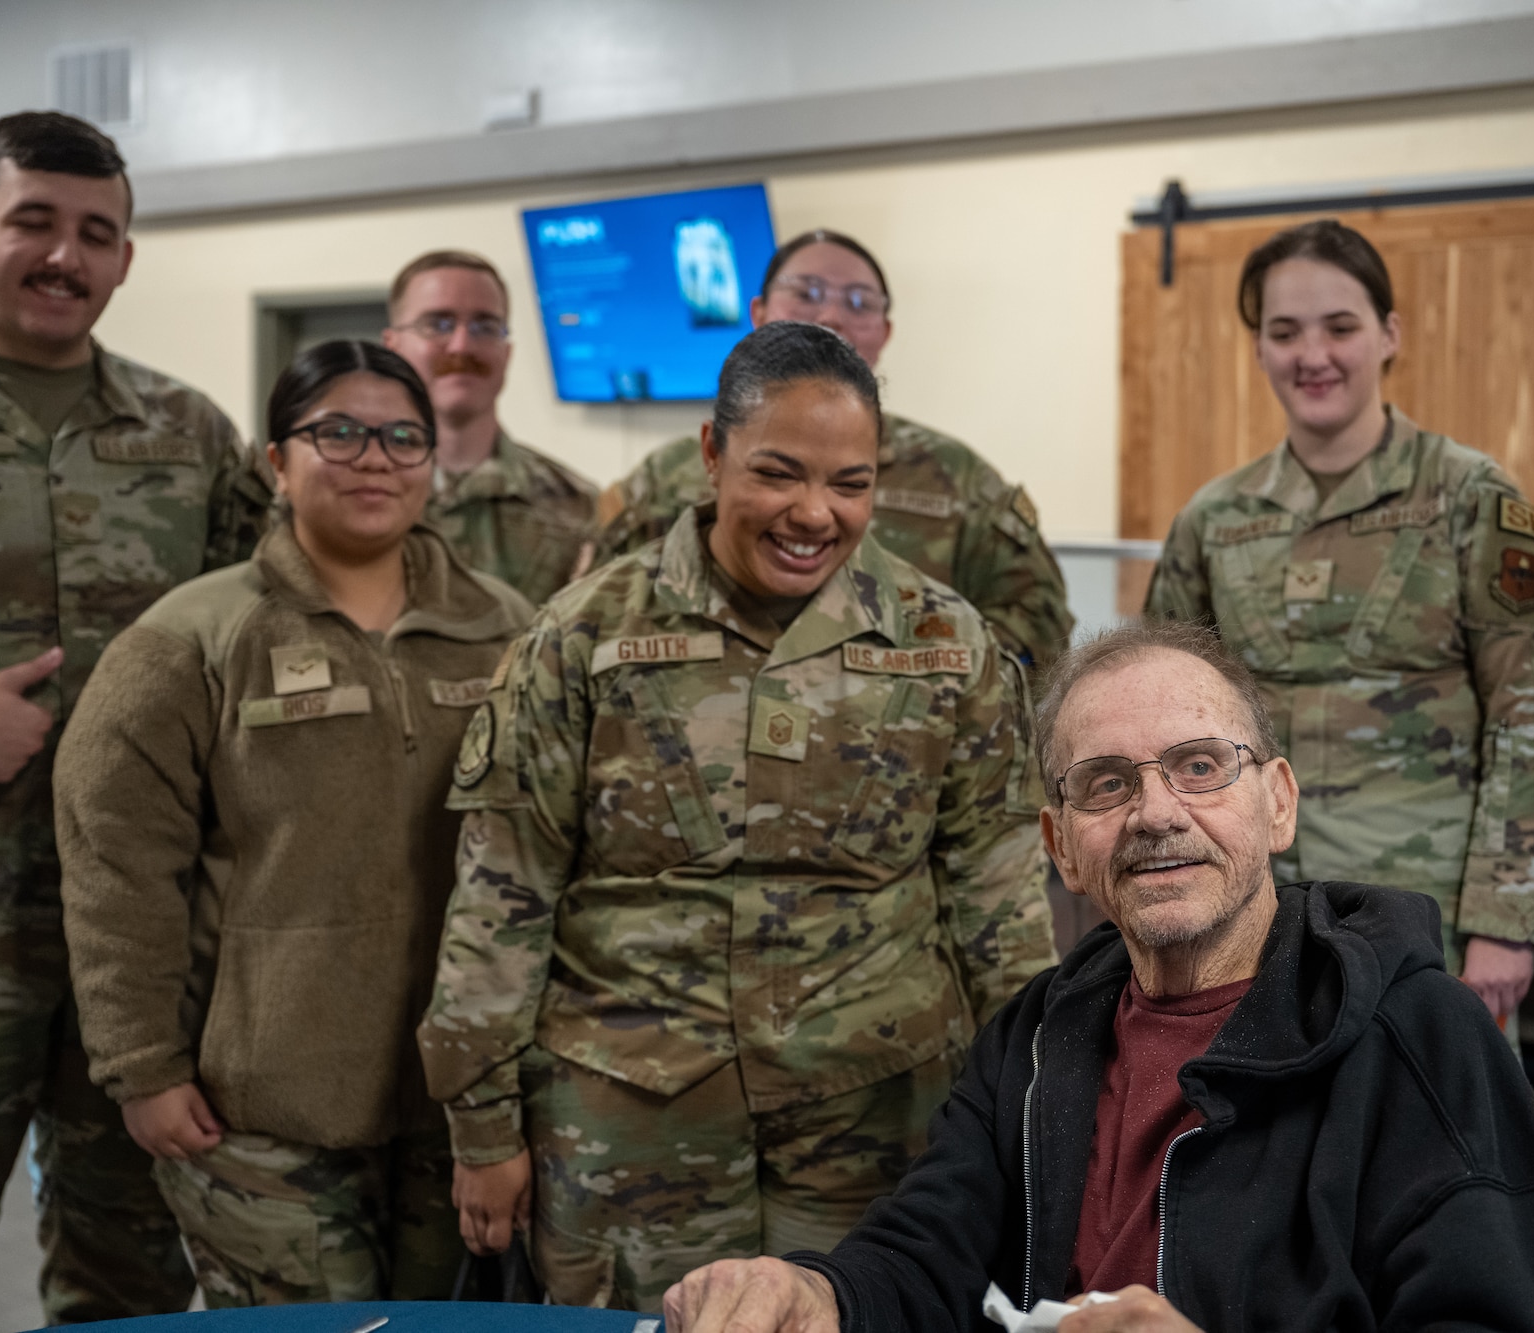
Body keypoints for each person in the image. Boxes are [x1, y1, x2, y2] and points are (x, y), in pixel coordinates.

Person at [663, 620, 1534, 1333]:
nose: (1156, 811)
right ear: (1061, 846)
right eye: (1107, 783)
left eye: (1200, 765)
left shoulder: (1416, 1034)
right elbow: (929, 1251)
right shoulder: (1039, 1036)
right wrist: (816, 1291)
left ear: (1277, 801)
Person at [421, 320, 1057, 1311]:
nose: (814, 513)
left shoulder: (947, 644)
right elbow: (504, 895)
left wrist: (1032, 1117)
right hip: (629, 1128)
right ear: (711, 455)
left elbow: (999, 907)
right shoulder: (586, 633)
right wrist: (484, 1125)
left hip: (872, 1120)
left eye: (851, 483)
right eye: (778, 472)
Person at [51, 340, 532, 1305]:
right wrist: (140, 1065)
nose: (374, 459)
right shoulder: (194, 635)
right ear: (278, 459)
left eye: (404, 437)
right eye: (338, 432)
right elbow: (116, 863)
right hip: (261, 1115)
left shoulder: (510, 627)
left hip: (461, 1107)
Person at [0, 111, 269, 1332]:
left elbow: (273, 628)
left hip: (137, 945)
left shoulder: (189, 437)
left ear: (127, 257)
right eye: (33, 221)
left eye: (97, 232)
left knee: (132, 1275)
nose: (64, 256)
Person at [1144, 219, 1534, 1022]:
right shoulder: (1214, 518)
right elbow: (1161, 722)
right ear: (1260, 349)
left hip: (1422, 907)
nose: (1314, 354)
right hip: (1251, 908)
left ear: (1388, 334)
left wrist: (1507, 924)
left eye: (1340, 327)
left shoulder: (1470, 497)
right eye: (1285, 332)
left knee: (1431, 1137)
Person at [596, 228, 1074, 672]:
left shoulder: (958, 477)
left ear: (884, 333)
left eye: (859, 302)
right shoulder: (666, 478)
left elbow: (1039, 623)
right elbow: (605, 609)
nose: (830, 316)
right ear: (758, 313)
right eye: (806, 293)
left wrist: (921, 678)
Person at [382, 248, 600, 605]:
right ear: (392, 346)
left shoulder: (580, 510)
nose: (462, 345)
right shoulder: (353, 494)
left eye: (485, 326)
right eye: (438, 324)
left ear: (507, 352)